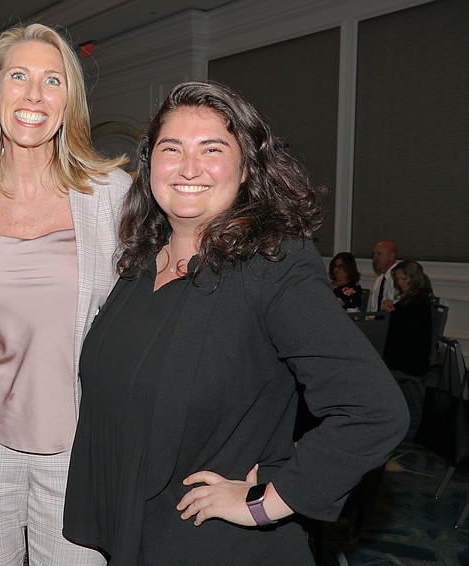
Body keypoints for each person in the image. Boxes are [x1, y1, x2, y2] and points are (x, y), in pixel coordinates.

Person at [62, 81, 409, 565]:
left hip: (213, 543)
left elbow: (374, 410)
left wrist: (266, 503)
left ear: (246, 168)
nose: (188, 168)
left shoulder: (272, 264)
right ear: (149, 167)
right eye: (171, 149)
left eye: (212, 149)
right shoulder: (140, 265)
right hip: (134, 531)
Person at [0, 23, 130, 565]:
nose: (34, 95)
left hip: (80, 452)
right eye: (18, 77)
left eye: (53, 80)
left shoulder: (112, 196)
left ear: (69, 103)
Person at [382, 260, 435, 376]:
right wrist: (391, 307)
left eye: (403, 279)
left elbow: (410, 328)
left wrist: (392, 312)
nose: (400, 283)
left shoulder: (419, 300)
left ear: (415, 278)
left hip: (411, 359)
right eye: (397, 280)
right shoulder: (413, 296)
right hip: (408, 353)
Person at [367, 239, 398, 311]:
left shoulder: (398, 279)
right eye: (374, 254)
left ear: (391, 256)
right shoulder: (379, 279)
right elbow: (373, 309)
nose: (375, 257)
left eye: (379, 254)